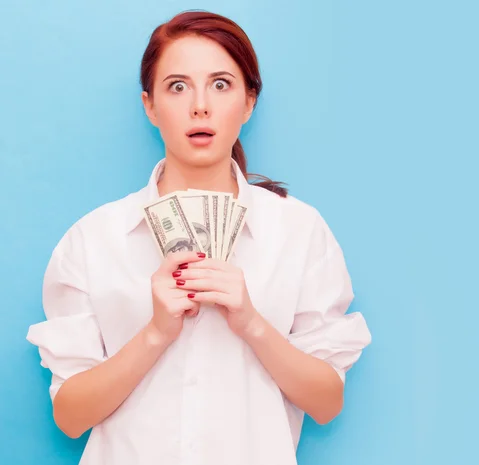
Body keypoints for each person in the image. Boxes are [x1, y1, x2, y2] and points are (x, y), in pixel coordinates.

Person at [26, 10, 371, 465]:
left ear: (249, 102)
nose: (200, 106)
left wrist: (251, 323)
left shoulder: (299, 231)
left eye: (221, 84)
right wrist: (154, 334)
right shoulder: (93, 240)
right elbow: (70, 417)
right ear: (149, 105)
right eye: (177, 86)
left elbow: (327, 403)